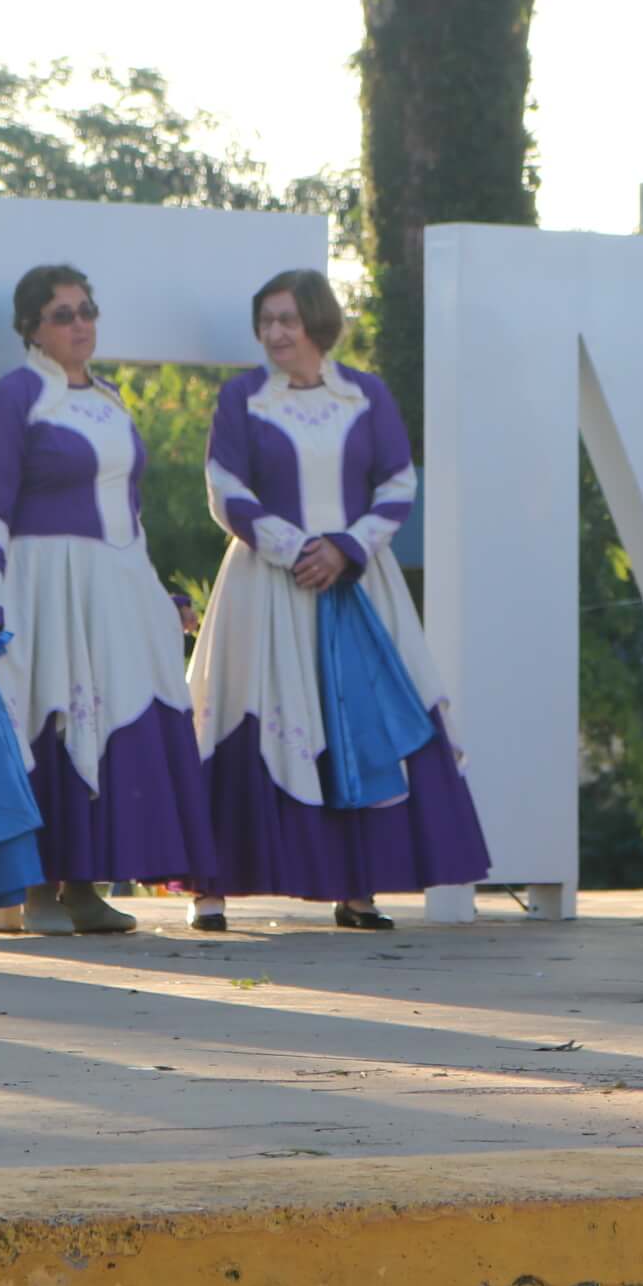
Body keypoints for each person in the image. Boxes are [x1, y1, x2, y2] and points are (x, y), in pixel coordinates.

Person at [186, 270, 489, 931]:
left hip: (354, 580)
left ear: (318, 323)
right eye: (266, 320)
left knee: (361, 718)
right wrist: (296, 548)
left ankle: (358, 889)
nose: (275, 333)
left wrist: (347, 548)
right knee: (244, 719)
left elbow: (398, 482)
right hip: (266, 583)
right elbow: (224, 487)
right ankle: (210, 894)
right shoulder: (242, 398)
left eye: (287, 319)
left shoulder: (366, 395)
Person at [0, 264, 219, 932]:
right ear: (31, 328)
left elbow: (128, 513)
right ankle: (38, 891)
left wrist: (157, 589)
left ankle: (83, 886)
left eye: (85, 311)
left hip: (116, 585)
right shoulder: (15, 397)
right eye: (62, 314)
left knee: (111, 726)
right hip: (44, 584)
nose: (79, 325)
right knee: (51, 718)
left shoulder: (109, 400)